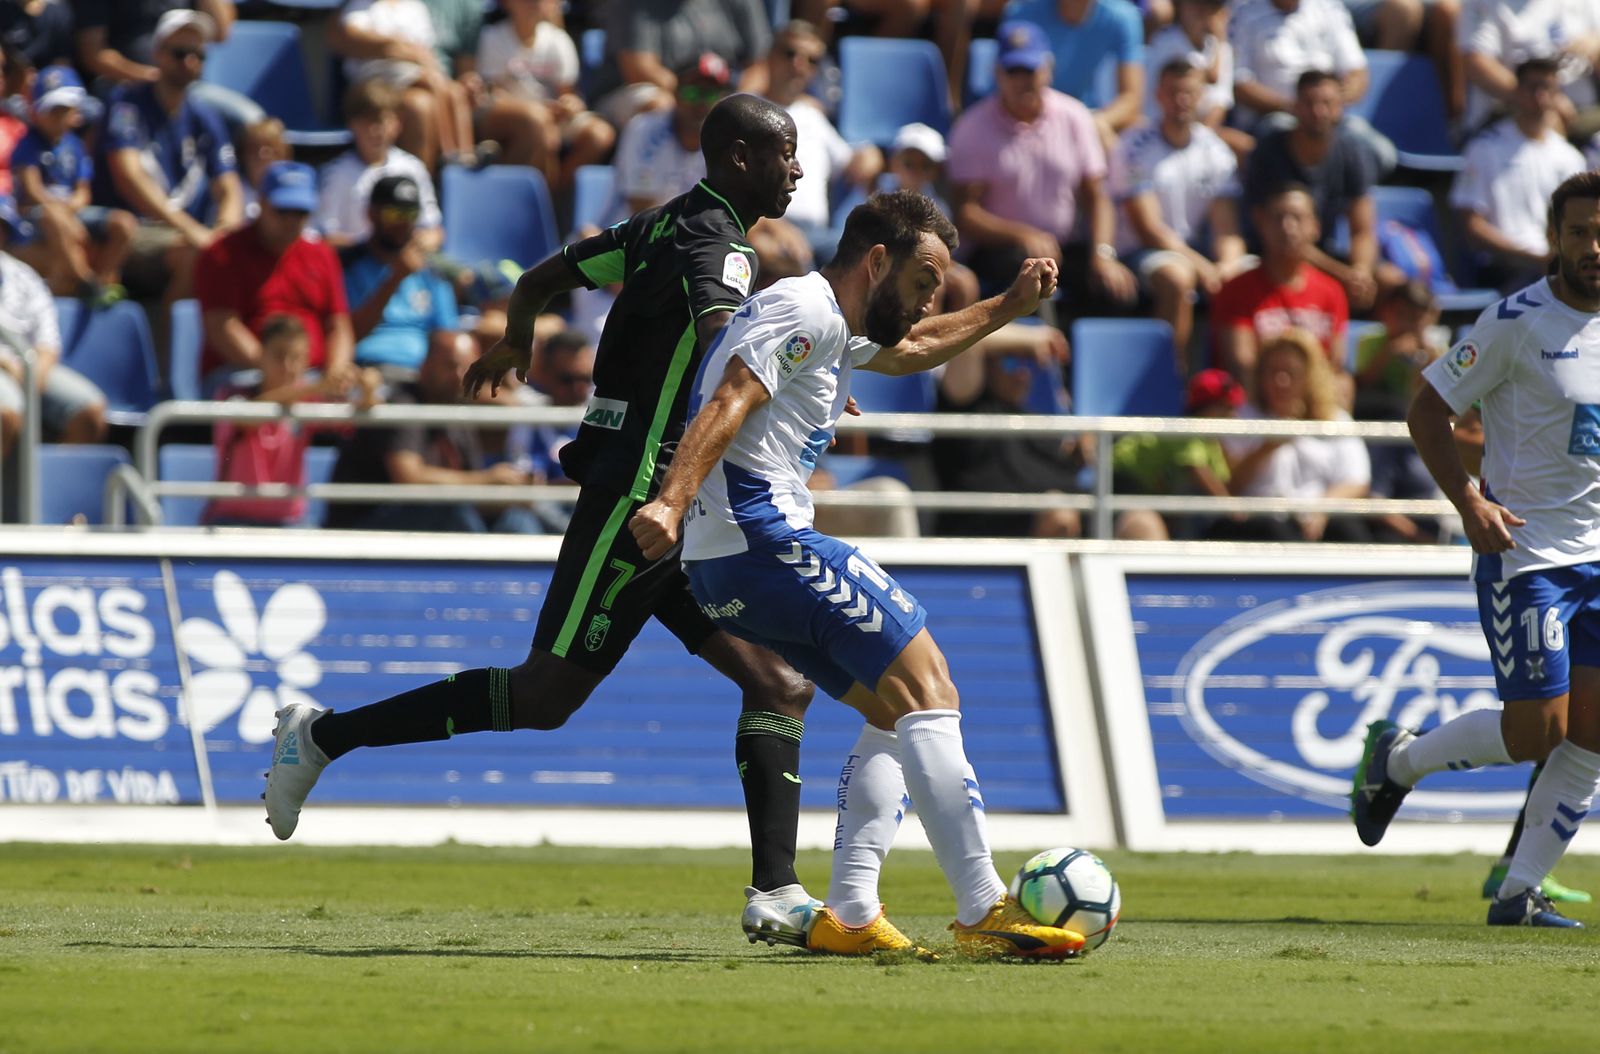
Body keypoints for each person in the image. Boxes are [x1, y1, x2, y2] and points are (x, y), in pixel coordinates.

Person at [263, 94, 828, 950]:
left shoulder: (656, 227)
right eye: (783, 152)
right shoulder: (720, 249)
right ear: (740, 158)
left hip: (665, 499)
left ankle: (777, 891)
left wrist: (516, 340)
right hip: (642, 499)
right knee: (545, 695)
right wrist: (794, 376)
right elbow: (728, 349)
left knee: (779, 683)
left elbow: (540, 279)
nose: (798, 167)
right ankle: (321, 736)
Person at [627, 190, 1084, 958]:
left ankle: (850, 911)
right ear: (876, 261)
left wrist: (1008, 305)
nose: (929, 300)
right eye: (922, 281)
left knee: (891, 711)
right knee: (929, 683)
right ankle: (982, 907)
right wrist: (669, 503)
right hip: (763, 540)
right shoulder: (805, 312)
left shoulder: (832, 324)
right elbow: (732, 397)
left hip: (727, 566)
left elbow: (909, 349)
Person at [1351, 171, 1600, 927]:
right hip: (1527, 555)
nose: (1595, 246)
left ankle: (1520, 893)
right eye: (1581, 232)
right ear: (1554, 240)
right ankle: (1397, 760)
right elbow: (1427, 411)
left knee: (1593, 733)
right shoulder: (1514, 322)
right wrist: (1469, 500)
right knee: (1537, 735)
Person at [947, 21, 1135, 316]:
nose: (1023, 81)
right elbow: (966, 214)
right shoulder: (972, 128)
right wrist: (1022, 235)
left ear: (1047, 69)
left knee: (1117, 291)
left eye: (1030, 70)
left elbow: (1097, 196)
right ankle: (1042, 357)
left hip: (1064, 248)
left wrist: (1103, 254)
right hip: (1001, 251)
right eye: (1014, 72)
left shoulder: (1075, 118)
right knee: (1029, 276)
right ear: (998, 74)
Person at [92, 9, 241, 304]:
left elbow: (229, 185)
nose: (189, 61)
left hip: (187, 234)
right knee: (197, 257)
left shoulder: (204, 115)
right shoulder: (126, 104)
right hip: (136, 231)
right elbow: (128, 177)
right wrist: (196, 232)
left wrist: (224, 229)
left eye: (198, 54)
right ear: (158, 54)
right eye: (180, 52)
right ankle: (167, 348)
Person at [1113, 59, 1245, 358]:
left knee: (1247, 276)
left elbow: (1227, 228)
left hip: (1195, 254)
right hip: (1141, 254)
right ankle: (1171, 378)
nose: (1181, 100)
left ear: (1200, 96)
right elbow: (1150, 230)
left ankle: (1235, 387)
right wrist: (1204, 267)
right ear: (1158, 95)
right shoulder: (1133, 147)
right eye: (1173, 92)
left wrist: (1226, 266)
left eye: (1188, 92)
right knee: (1178, 277)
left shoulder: (1216, 152)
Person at [204, 314, 382, 528]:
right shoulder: (232, 393)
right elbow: (248, 417)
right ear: (261, 355)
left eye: (297, 358)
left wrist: (368, 391)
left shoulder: (307, 399)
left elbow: (351, 420)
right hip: (230, 524)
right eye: (279, 356)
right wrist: (317, 386)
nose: (288, 367)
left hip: (289, 525)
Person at [192, 161, 354, 390]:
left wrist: (336, 372)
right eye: (282, 210)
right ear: (261, 203)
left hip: (312, 378)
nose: (290, 221)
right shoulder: (222, 254)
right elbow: (222, 327)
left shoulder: (322, 255)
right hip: (243, 375)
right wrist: (277, 372)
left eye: (300, 212)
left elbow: (338, 326)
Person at [1213, 326, 1370, 541]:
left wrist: (1322, 509)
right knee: (1276, 533)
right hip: (1260, 518)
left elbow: (1355, 481)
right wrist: (1267, 447)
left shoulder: (1335, 419)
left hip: (1315, 515)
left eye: (1291, 373)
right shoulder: (1241, 418)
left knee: (1350, 533)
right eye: (1273, 372)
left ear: (1310, 377)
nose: (1281, 381)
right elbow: (1228, 485)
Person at [1243, 70, 1383, 312]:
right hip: (1272, 259)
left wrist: (1360, 271)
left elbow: (1362, 229)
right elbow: (1279, 236)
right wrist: (1343, 274)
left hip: (1324, 255)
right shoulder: (1269, 152)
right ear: (1295, 106)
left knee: (1389, 283)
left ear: (1340, 107)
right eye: (1310, 103)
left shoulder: (1351, 151)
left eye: (1327, 103)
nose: (1319, 112)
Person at [1451, 58, 1589, 293]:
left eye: (1547, 88)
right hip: (1503, 266)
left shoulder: (1570, 157)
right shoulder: (1484, 148)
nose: (1539, 96)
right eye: (1532, 87)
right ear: (1517, 91)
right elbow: (1472, 227)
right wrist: (1532, 257)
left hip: (1556, 265)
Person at [9, 64, 134, 299]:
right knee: (51, 216)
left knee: (123, 223)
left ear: (76, 113)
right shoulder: (28, 143)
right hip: (36, 216)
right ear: (36, 112)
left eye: (64, 110)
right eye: (53, 110)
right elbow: (32, 189)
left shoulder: (75, 146)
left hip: (71, 211)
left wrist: (68, 212)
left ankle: (105, 281)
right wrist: (62, 214)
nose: (59, 117)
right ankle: (85, 281)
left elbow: (83, 192)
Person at [0, 193, 106, 454]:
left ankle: (48, 489)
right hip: (10, 368)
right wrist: (9, 366)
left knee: (90, 412)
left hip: (29, 369)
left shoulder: (23, 276)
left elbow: (48, 342)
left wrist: (30, 378)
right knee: (5, 412)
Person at [1211, 182, 1349, 382]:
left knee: (1345, 385)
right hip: (1258, 402)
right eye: (1278, 218)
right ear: (1261, 223)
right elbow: (1242, 365)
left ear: (1315, 227)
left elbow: (1335, 363)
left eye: (1297, 218)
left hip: (1315, 399)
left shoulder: (1331, 291)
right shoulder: (1237, 290)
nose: (1288, 227)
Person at [473, 0, 615, 191]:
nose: (533, 3)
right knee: (536, 123)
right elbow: (494, 92)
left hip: (550, 116)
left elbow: (567, 94)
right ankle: (521, 195)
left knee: (599, 135)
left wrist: (569, 105)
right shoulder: (493, 36)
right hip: (510, 115)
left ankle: (550, 194)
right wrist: (540, 114)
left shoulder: (558, 39)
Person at [341, 174, 458, 382]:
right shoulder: (347, 265)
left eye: (410, 213)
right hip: (369, 372)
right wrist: (395, 278)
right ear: (371, 214)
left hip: (423, 379)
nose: (403, 223)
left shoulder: (432, 271)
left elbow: (446, 335)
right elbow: (349, 335)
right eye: (394, 213)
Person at [1112, 366, 1239, 541]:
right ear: (1208, 409)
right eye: (1226, 407)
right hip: (1121, 479)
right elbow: (1199, 472)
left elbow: (1223, 481)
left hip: (1150, 491)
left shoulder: (1211, 442)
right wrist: (1233, 510)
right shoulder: (1187, 431)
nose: (1233, 415)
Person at [315, 79, 443, 252]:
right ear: (351, 124)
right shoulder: (336, 174)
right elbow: (324, 236)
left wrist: (415, 247)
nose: (375, 131)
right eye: (367, 122)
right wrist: (371, 252)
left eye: (381, 121)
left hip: (405, 266)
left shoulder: (413, 168)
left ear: (396, 125)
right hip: (355, 269)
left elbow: (432, 229)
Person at [1004, 0, 1147, 142]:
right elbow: (1008, 90)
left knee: (1138, 126)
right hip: (1026, 117)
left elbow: (1131, 100)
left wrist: (1096, 123)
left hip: (1086, 117)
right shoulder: (1022, 13)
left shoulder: (1123, 16)